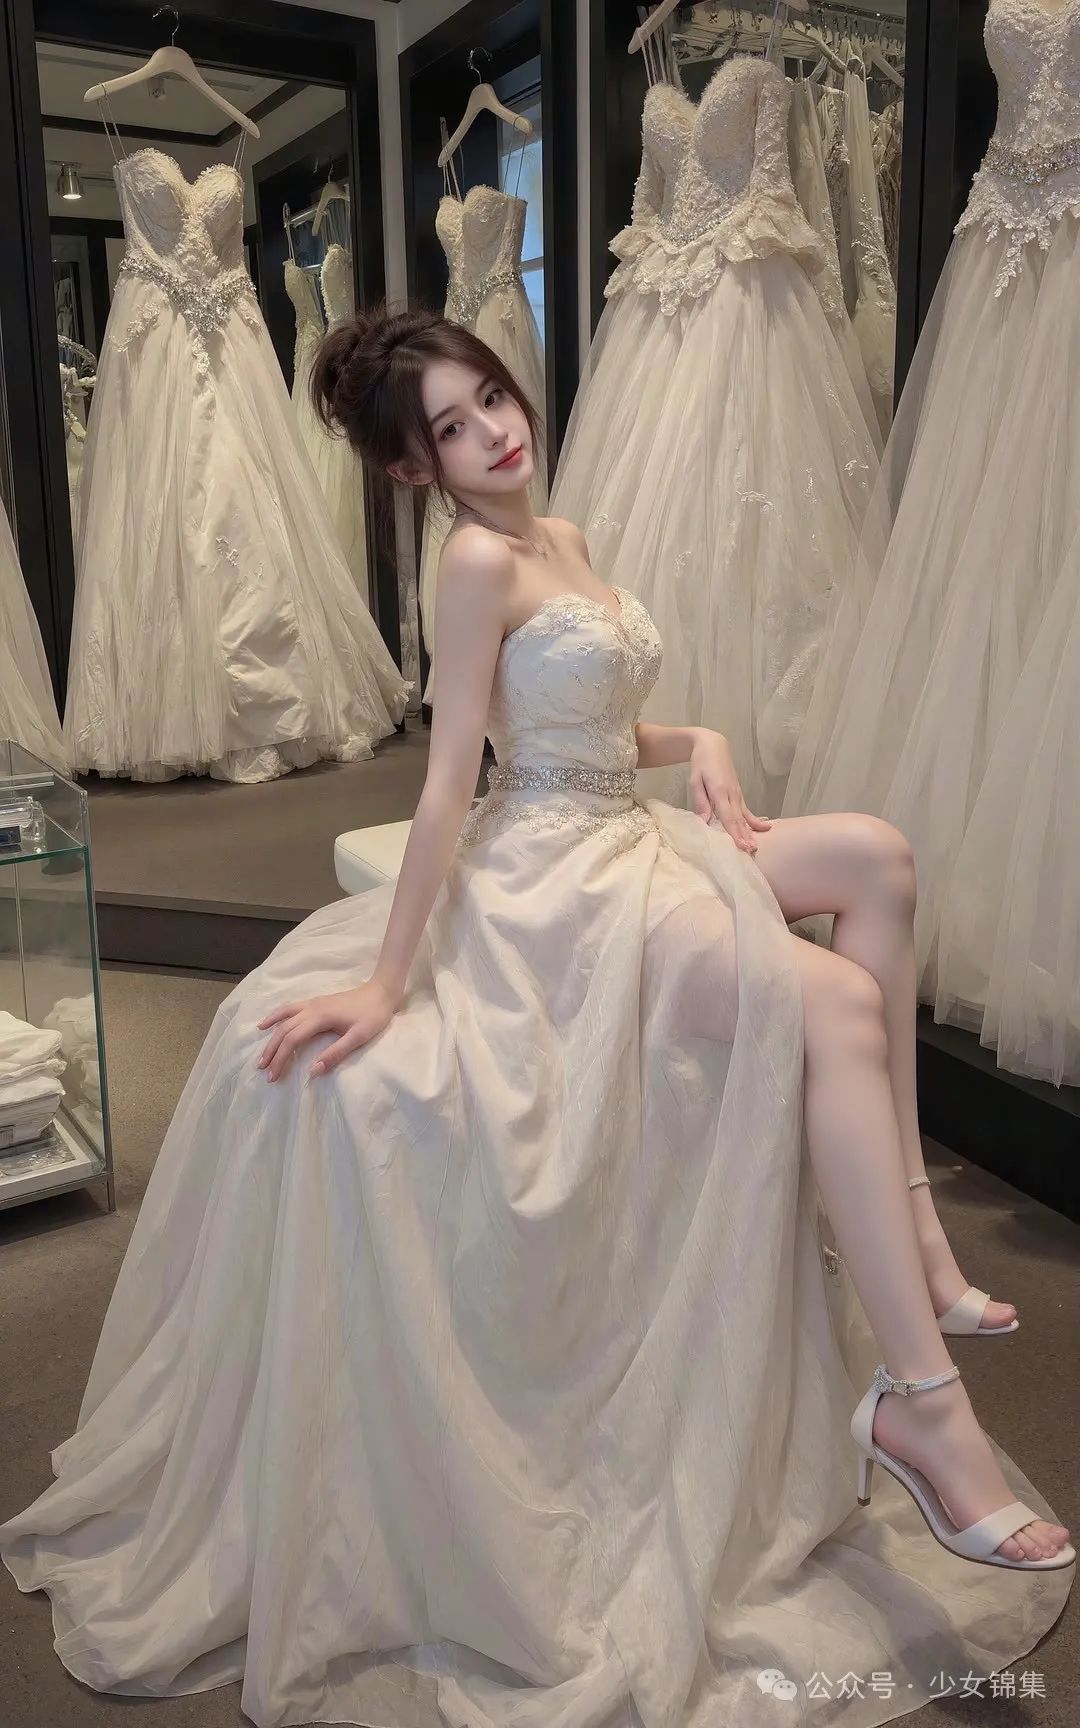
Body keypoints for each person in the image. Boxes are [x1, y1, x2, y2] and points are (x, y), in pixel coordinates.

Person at [0, 309, 1071, 1728]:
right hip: (553, 883)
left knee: (876, 855)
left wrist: (706, 741)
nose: (492, 433)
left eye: (491, 399)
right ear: (414, 468)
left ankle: (918, 1243)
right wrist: (389, 977)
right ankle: (923, 1401)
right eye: (451, 429)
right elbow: (457, 772)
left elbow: (595, 724)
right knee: (824, 997)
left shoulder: (560, 535)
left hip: (624, 828)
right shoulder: (475, 563)